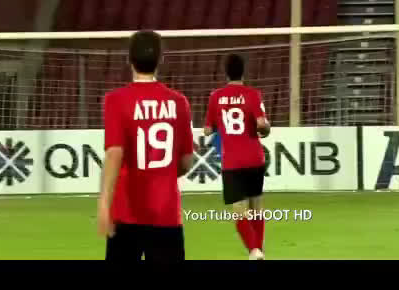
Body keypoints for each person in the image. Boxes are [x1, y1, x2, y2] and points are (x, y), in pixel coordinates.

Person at [98, 30, 194, 261]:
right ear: (161, 59)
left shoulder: (116, 100)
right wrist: (164, 173)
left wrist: (104, 203)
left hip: (126, 213)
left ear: (129, 59)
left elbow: (114, 153)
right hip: (166, 214)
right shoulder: (178, 102)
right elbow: (186, 162)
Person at [204, 53, 270, 260]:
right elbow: (262, 124)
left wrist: (219, 126)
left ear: (226, 73)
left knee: (239, 212)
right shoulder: (253, 94)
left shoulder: (216, 97)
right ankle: (259, 250)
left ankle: (254, 250)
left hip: (232, 161)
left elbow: (207, 130)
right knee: (256, 207)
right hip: (254, 158)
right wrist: (265, 129)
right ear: (243, 72)